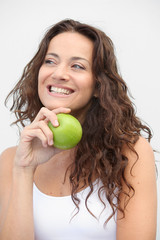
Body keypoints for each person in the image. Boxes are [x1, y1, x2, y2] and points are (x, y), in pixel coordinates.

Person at [0, 19, 157, 240]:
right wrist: (24, 169)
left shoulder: (130, 153)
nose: (59, 74)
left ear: (98, 85)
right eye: (50, 61)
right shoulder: (12, 160)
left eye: (77, 66)